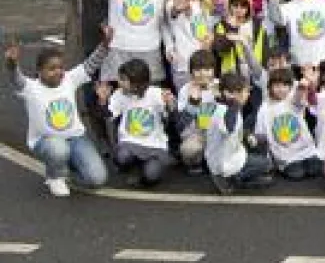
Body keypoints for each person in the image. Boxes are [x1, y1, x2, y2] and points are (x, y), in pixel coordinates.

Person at [4, 27, 111, 196]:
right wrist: (11, 63)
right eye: (51, 68)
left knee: (97, 179)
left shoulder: (69, 79)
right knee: (58, 149)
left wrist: (105, 45)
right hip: (46, 142)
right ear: (39, 71)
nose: (58, 72)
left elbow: (91, 64)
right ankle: (54, 176)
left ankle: (66, 163)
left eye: (60, 67)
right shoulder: (30, 88)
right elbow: (15, 78)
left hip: (75, 139)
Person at [99, 58, 174, 186]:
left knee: (152, 176)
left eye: (123, 79)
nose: (119, 82)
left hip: (154, 145)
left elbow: (169, 117)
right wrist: (103, 101)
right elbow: (109, 115)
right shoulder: (119, 94)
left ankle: (142, 177)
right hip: (130, 141)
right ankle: (131, 166)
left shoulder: (155, 93)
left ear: (136, 83)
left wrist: (169, 103)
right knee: (122, 157)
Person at [206, 73, 274, 194]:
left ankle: (237, 177)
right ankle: (231, 178)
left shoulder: (230, 107)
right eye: (245, 91)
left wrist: (248, 135)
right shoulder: (223, 111)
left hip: (233, 153)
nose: (248, 94)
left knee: (261, 142)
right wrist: (234, 102)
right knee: (267, 164)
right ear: (231, 94)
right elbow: (229, 128)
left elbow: (236, 131)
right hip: (224, 162)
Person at [254, 68, 323, 180]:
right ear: (270, 87)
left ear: (290, 87)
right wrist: (267, 159)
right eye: (277, 86)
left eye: (284, 86)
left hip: (305, 149)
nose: (281, 90)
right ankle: (285, 166)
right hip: (285, 155)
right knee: (297, 174)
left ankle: (307, 160)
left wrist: (303, 86)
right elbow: (261, 133)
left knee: (315, 169)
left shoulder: (292, 100)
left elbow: (299, 98)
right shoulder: (264, 108)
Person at [177, 50, 220, 174]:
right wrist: (192, 103)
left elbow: (231, 117)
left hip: (216, 135)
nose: (202, 74)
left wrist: (220, 99)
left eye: (207, 69)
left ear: (213, 70)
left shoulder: (219, 85)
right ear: (191, 72)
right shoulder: (185, 89)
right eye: (198, 70)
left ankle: (212, 161)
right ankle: (196, 163)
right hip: (195, 135)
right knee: (189, 150)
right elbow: (180, 125)